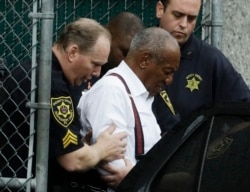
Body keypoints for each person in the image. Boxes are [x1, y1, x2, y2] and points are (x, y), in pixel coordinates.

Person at [0, 18, 128, 192]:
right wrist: (102, 149)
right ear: (73, 52)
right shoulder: (51, 85)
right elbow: (74, 160)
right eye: (95, 64)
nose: (97, 73)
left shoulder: (35, 69)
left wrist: (81, 146)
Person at [77, 27, 180, 189]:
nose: (169, 80)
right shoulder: (112, 90)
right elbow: (113, 168)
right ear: (144, 60)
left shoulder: (143, 95)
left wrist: (138, 176)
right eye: (167, 71)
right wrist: (141, 178)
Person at [153, 0, 250, 133]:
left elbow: (244, 109)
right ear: (160, 9)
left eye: (191, 18)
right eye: (177, 15)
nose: (183, 24)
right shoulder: (137, 51)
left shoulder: (210, 60)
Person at [70, 12, 144, 104]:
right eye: (124, 53)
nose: (128, 62)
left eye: (134, 57)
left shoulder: (136, 82)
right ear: (108, 37)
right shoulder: (82, 73)